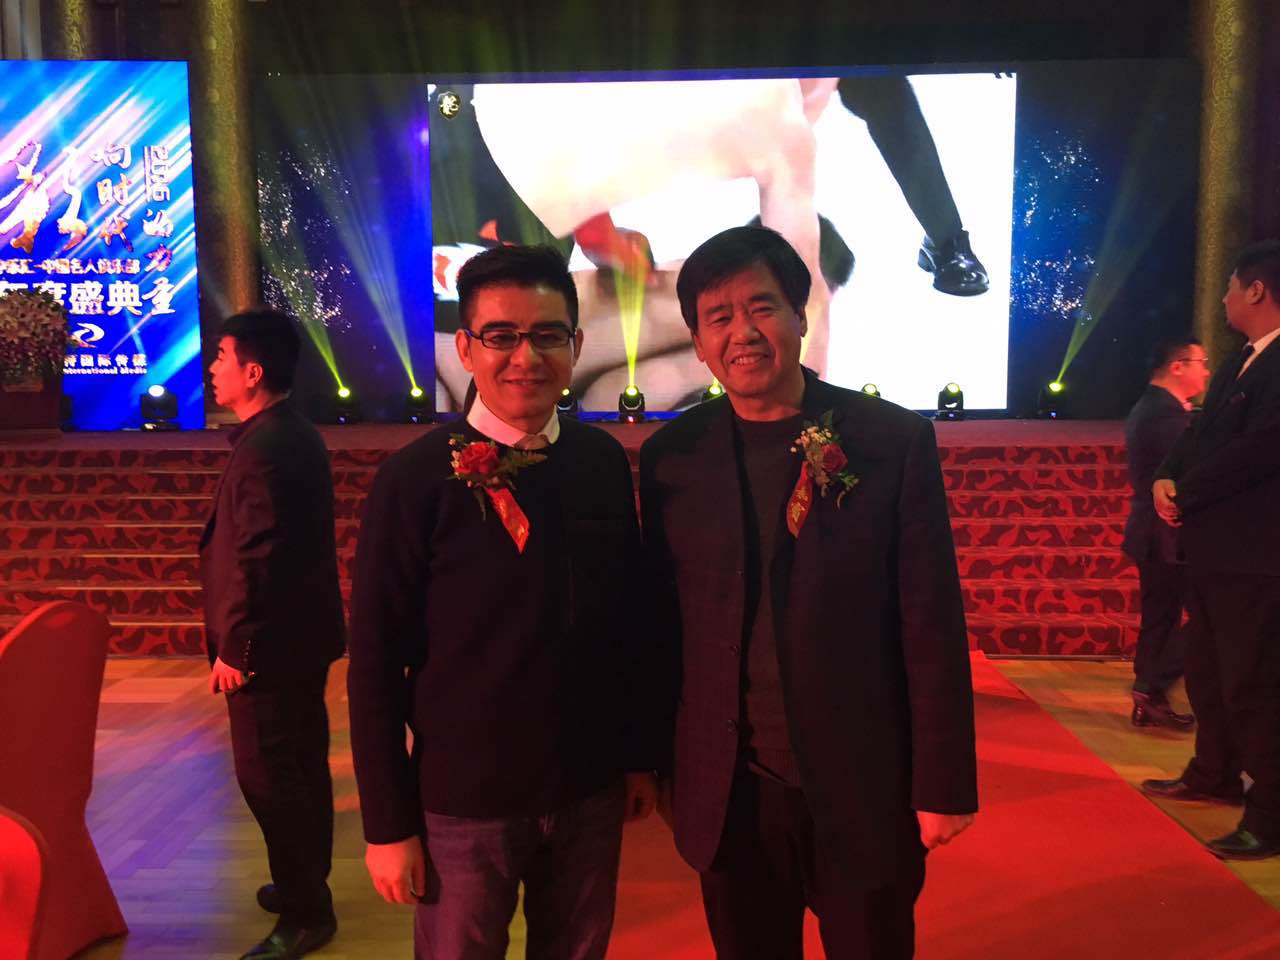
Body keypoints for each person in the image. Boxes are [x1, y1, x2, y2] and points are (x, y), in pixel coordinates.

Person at [639, 225, 977, 958]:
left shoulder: (889, 441)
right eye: (718, 317)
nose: (742, 332)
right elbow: (661, 626)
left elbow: (930, 621)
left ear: (799, 314)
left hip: (863, 786)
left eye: (761, 307)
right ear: (698, 342)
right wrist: (657, 765)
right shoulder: (673, 456)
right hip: (728, 792)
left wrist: (944, 782)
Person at [347, 244, 659, 959]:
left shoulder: (601, 463)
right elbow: (375, 665)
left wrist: (638, 756)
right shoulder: (414, 481)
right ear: (466, 348)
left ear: (575, 345)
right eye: (502, 336)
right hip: (463, 801)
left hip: (588, 788)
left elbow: (630, 627)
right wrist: (388, 825)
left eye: (547, 335)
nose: (526, 356)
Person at [202, 309, 345, 959]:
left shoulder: (266, 447)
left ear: (253, 372)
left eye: (222, 356)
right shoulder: (288, 432)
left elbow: (257, 558)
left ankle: (307, 912)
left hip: (269, 646)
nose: (213, 368)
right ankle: (304, 880)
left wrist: (238, 648)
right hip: (298, 639)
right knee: (300, 766)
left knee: (270, 779)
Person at [1143, 239, 1280, 860]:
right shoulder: (1242, 360)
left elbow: (1260, 450)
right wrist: (1166, 477)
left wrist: (1188, 490)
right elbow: (1199, 434)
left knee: (1254, 682)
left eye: (1229, 286)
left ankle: (1271, 814)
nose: (1223, 299)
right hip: (1215, 551)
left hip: (1257, 554)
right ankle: (1213, 771)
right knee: (1208, 670)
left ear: (1257, 290)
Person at [1121, 336, 1211, 730]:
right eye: (1201, 362)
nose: (1207, 371)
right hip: (1168, 534)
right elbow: (1188, 474)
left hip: (1155, 533)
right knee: (1209, 616)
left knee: (1161, 617)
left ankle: (1149, 695)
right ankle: (1152, 684)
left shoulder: (1156, 407)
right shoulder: (1164, 415)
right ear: (1178, 366)